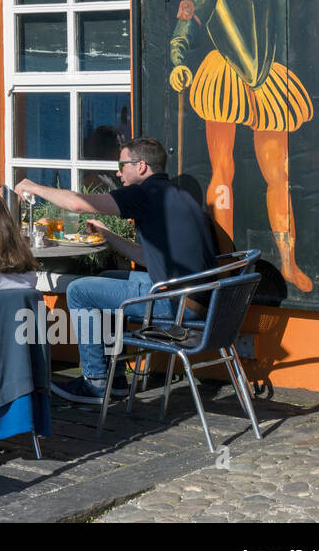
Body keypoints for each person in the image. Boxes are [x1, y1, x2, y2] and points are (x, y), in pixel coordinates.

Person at [169, 0, 313, 291]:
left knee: (279, 174)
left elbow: (288, 36)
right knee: (223, 172)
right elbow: (183, 29)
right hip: (224, 76)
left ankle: (287, 261)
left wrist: (284, 69)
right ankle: (223, 265)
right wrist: (180, 60)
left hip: (267, 77)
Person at [15, 137, 218, 404]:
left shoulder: (145, 193)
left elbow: (77, 203)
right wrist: (109, 236)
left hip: (176, 304)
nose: (118, 172)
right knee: (107, 279)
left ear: (142, 166)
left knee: (79, 291)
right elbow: (149, 257)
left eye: (123, 165)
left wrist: (33, 186)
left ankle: (96, 382)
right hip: (197, 298)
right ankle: (117, 378)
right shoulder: (176, 195)